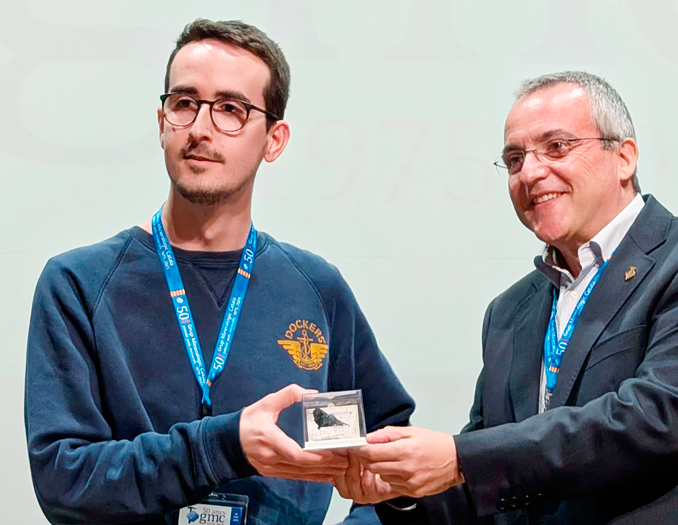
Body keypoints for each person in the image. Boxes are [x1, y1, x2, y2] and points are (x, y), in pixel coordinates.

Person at [24, 19, 414, 525]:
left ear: (274, 139)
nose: (201, 128)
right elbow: (63, 481)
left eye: (231, 109)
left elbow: (389, 445)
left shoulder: (316, 289)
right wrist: (224, 445)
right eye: (185, 103)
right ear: (162, 122)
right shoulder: (78, 284)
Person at [336, 71, 678, 524]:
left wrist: (461, 458)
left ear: (624, 157)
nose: (530, 173)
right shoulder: (509, 312)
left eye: (557, 147)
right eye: (515, 160)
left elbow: (656, 417)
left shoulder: (671, 261)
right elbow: (486, 481)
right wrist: (403, 489)